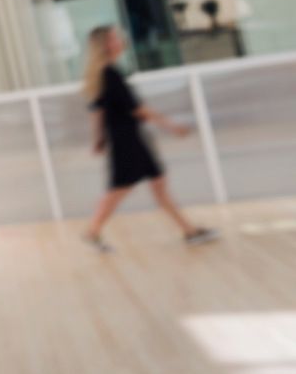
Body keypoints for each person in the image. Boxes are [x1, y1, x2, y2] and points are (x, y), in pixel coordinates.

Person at [80, 26, 217, 252]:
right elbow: (137, 109)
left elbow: (98, 110)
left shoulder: (105, 73)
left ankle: (189, 231)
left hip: (128, 137)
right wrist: (171, 126)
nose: (120, 40)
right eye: (115, 38)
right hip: (126, 141)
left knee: (156, 183)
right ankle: (92, 232)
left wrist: (99, 138)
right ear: (106, 45)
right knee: (120, 189)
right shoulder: (109, 74)